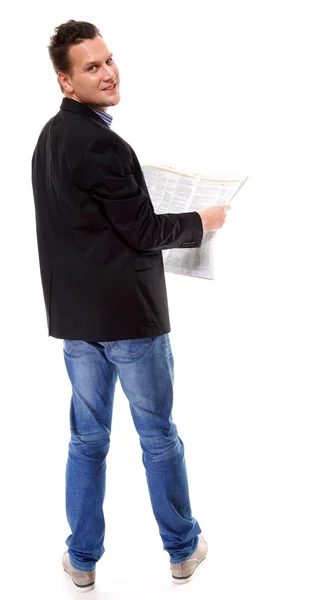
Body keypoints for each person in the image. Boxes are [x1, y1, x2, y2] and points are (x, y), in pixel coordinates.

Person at [31, 19, 231, 593]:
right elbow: (141, 228)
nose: (108, 72)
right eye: (91, 67)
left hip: (78, 322)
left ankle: (82, 558)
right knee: (158, 436)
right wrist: (201, 221)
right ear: (67, 82)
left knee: (87, 440)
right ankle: (182, 547)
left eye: (109, 59)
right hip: (130, 322)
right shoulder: (103, 143)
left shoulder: (49, 137)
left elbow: (84, 228)